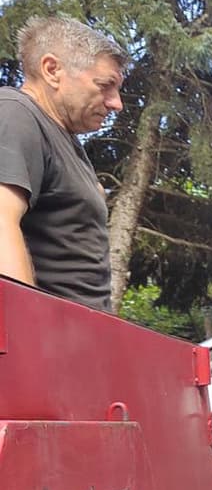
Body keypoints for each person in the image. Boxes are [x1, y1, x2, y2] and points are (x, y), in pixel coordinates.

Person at [0, 16, 127, 311]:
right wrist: (28, 335)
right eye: (105, 85)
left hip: (78, 340)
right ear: (52, 70)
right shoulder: (15, 113)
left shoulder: (65, 139)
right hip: (44, 343)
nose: (116, 103)